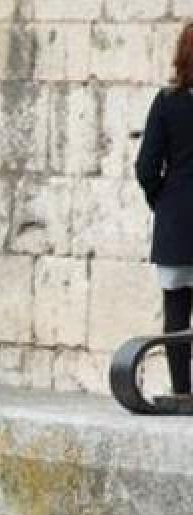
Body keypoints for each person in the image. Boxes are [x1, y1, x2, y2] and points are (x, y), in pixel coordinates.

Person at [136, 21, 193, 398]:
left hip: (177, 221)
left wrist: (164, 201)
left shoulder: (167, 102)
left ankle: (182, 393)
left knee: (176, 312)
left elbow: (146, 167)